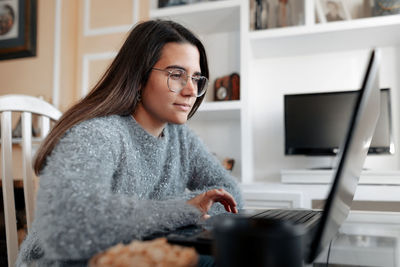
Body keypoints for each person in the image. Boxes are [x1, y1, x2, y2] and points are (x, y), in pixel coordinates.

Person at [16, 19, 243, 266]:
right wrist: (183, 209)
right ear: (139, 77)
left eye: (196, 78)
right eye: (176, 75)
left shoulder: (181, 138)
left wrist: (180, 211)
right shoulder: (99, 134)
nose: (190, 90)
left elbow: (230, 196)